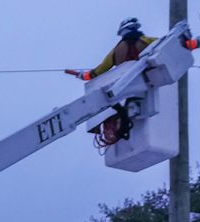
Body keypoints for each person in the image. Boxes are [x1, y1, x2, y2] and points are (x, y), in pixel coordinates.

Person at [65, 18, 158, 148]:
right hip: (147, 85)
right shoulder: (148, 41)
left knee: (121, 110)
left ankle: (121, 125)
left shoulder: (117, 50)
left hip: (123, 90)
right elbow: (165, 45)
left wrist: (85, 75)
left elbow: (101, 69)